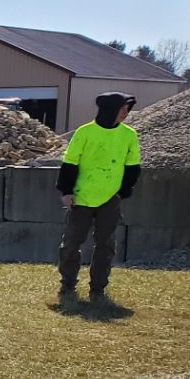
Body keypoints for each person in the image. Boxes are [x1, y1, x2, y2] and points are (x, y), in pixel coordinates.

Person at [56, 92, 141, 298]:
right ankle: (68, 284)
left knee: (105, 246)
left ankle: (98, 288)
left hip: (110, 199)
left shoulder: (129, 135)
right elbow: (69, 164)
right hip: (81, 197)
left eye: (127, 109)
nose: (126, 113)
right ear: (110, 109)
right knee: (71, 244)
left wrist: (122, 192)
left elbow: (132, 167)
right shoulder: (85, 133)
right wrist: (66, 192)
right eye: (123, 109)